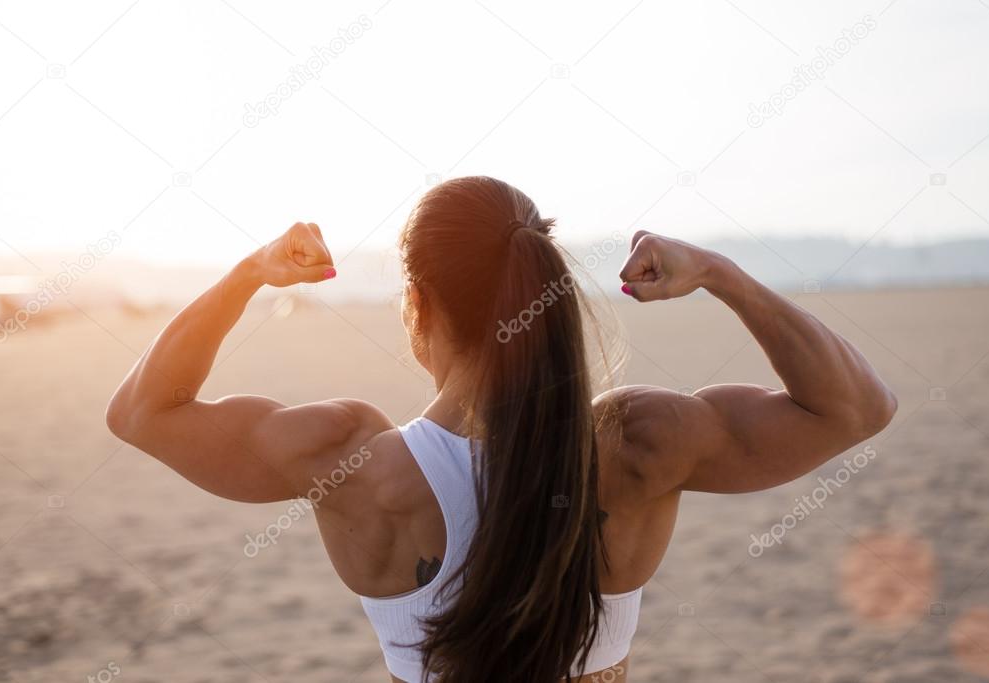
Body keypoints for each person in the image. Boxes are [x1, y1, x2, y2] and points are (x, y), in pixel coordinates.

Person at [106, 176, 896, 682]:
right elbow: (856, 407)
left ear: (416, 306)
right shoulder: (638, 442)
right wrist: (718, 274)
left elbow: (143, 411)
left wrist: (250, 272)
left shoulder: (347, 460)